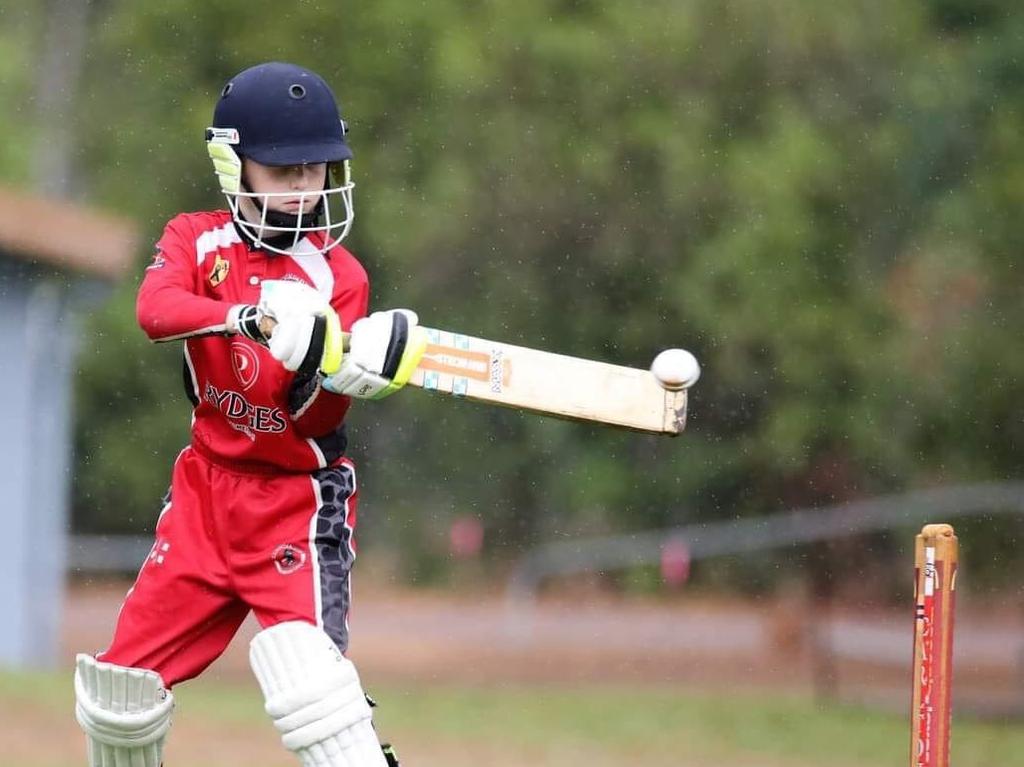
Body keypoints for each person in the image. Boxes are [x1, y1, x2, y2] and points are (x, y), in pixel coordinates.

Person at [73, 61, 424, 767]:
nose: (302, 188)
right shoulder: (195, 240)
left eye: (316, 169)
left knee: (312, 686)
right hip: (205, 494)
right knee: (120, 696)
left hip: (295, 498)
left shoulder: (339, 276)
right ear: (234, 166)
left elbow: (315, 420)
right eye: (282, 169)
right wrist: (248, 318)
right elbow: (154, 310)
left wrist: (346, 373)